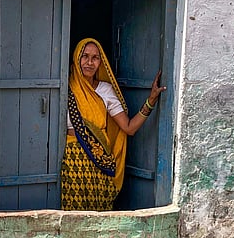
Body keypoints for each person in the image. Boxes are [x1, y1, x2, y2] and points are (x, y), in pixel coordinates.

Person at [61, 38, 166, 211]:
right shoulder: (66, 87)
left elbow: (129, 128)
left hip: (100, 161)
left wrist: (151, 100)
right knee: (73, 215)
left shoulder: (105, 90)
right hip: (73, 162)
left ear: (100, 62)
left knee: (99, 214)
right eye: (85, 56)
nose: (89, 62)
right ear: (76, 58)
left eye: (95, 58)